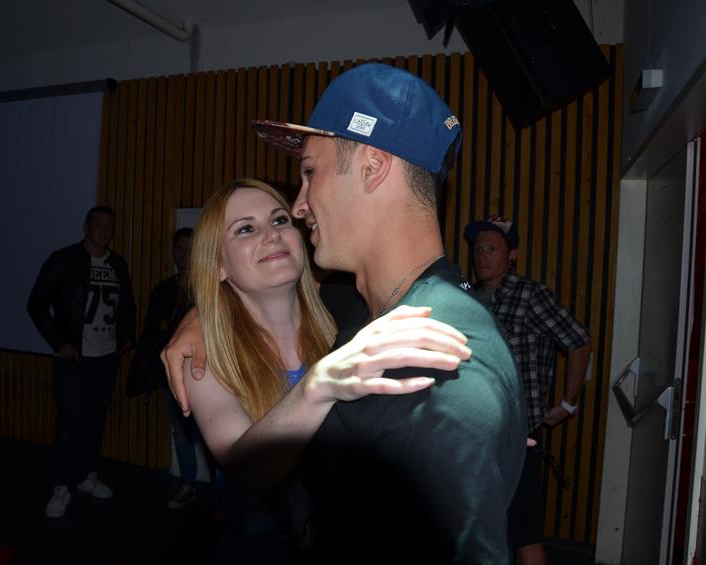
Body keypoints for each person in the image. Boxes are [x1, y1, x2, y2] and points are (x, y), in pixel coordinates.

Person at [166, 62, 526, 563]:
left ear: (373, 167)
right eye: (245, 230)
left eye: (309, 172)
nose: (298, 207)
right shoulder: (363, 310)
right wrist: (203, 318)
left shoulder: (439, 360)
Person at [183, 177, 472, 564]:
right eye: (246, 229)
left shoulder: (348, 313)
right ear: (218, 264)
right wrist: (317, 386)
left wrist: (475, 427)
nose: (271, 234)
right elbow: (249, 470)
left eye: (280, 220)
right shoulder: (204, 358)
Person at [464, 216, 591, 565]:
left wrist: (568, 402)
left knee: (524, 534)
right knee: (476, 529)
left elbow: (578, 340)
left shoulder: (530, 295)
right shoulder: (469, 296)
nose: (482, 256)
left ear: (513, 255)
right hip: (473, 430)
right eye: (478, 249)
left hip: (517, 435)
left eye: (493, 249)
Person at [27, 205, 136, 519]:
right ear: (86, 227)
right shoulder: (63, 259)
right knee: (69, 423)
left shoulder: (118, 264)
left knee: (94, 421)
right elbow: (36, 303)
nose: (105, 230)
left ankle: (86, 475)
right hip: (74, 358)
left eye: (110, 225)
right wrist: (59, 343)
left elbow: (127, 305)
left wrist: (127, 337)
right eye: (99, 223)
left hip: (106, 358)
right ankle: (61, 486)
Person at [127, 227, 206, 509]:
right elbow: (151, 336)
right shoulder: (162, 290)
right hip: (171, 377)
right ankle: (188, 485)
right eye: (179, 248)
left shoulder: (209, 290)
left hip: (206, 375)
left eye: (189, 249)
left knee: (216, 433)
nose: (183, 254)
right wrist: (149, 377)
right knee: (182, 432)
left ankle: (224, 499)